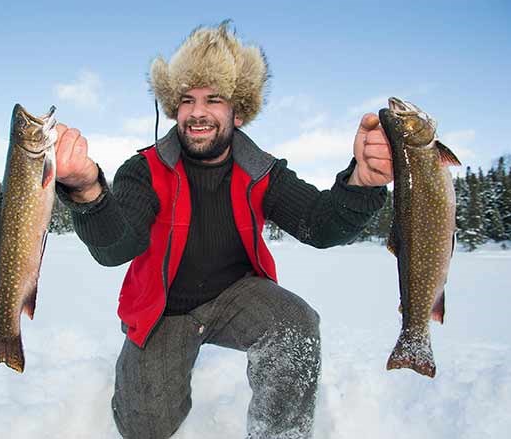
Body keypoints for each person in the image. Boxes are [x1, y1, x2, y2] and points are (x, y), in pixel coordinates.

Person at [53, 22, 392, 439]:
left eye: (214, 99)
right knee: (145, 426)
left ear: (239, 110)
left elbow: (319, 225)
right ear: (172, 108)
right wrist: (88, 191)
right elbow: (118, 246)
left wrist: (362, 182)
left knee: (295, 325)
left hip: (236, 296)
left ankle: (280, 434)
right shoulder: (143, 170)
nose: (198, 112)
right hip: (165, 310)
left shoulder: (262, 170)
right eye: (186, 99)